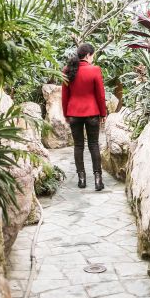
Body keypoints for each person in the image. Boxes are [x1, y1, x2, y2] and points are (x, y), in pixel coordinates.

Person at [61, 43, 108, 191]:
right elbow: (100, 95)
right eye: (92, 55)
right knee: (94, 145)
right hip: (92, 113)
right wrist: (103, 113)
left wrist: (65, 114)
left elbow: (64, 96)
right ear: (88, 55)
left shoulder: (67, 70)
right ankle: (98, 179)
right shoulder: (95, 70)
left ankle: (81, 179)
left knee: (78, 146)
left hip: (74, 113)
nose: (93, 58)